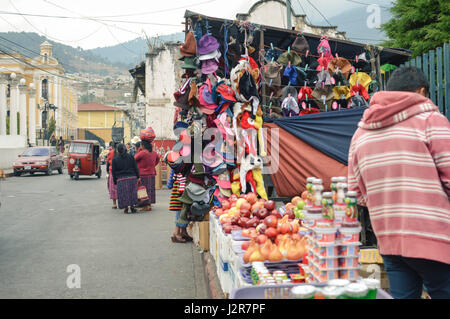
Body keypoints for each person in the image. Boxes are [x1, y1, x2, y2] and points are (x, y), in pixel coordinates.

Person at [348, 67, 450, 299]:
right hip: (433, 236)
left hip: (389, 238)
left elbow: (357, 194)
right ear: (422, 92)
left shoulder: (360, 133)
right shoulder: (431, 120)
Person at [112, 143, 140, 214]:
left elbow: (113, 172)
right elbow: (135, 167)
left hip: (121, 179)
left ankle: (126, 208)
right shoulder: (131, 157)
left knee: (123, 193)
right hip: (132, 177)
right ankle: (132, 207)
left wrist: (115, 181)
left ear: (118, 151)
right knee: (132, 192)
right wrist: (138, 177)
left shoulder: (115, 159)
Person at [134, 139, 160, 211]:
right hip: (151, 173)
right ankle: (149, 204)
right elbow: (158, 159)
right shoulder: (154, 152)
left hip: (143, 174)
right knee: (150, 189)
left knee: (143, 190)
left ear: (143, 146)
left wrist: (139, 150)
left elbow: (134, 159)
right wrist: (153, 165)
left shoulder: (142, 153)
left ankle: (145, 206)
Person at [169, 171, 191, 243]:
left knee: (183, 207)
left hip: (180, 182)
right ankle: (176, 232)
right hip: (182, 183)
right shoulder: (183, 159)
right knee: (182, 207)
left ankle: (183, 231)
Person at [106, 142, 118, 209]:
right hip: (120, 172)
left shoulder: (110, 153)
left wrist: (107, 171)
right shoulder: (120, 152)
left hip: (112, 172)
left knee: (113, 188)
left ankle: (114, 204)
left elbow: (108, 162)